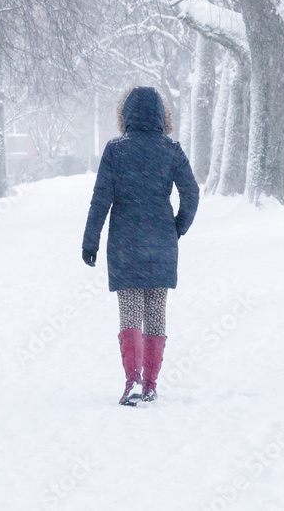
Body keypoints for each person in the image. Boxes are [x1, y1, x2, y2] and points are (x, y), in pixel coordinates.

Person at [82, 86, 199, 406]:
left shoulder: (115, 150)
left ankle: (132, 381)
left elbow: (100, 200)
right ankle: (150, 385)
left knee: (131, 313)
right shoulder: (171, 150)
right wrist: (177, 229)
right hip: (162, 243)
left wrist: (90, 242)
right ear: (162, 115)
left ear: (126, 115)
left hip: (125, 244)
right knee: (157, 313)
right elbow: (192, 194)